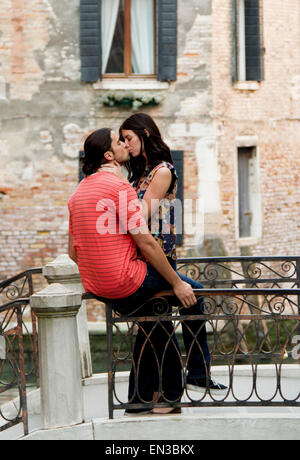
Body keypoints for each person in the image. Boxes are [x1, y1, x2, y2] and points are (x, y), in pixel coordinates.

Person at [68, 128, 197, 415]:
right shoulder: (119, 188)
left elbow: (73, 252)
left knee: (154, 318)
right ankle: (180, 390)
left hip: (97, 286)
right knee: (192, 294)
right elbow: (147, 243)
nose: (126, 144)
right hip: (126, 279)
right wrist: (177, 283)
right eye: (119, 141)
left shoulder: (78, 193)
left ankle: (140, 398)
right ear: (109, 155)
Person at [115, 113, 227, 395]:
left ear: (146, 135)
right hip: (144, 260)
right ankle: (169, 384)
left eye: (129, 139)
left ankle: (183, 378)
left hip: (157, 257)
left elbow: (140, 215)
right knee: (161, 319)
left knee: (190, 298)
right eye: (122, 140)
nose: (126, 145)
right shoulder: (138, 173)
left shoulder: (161, 171)